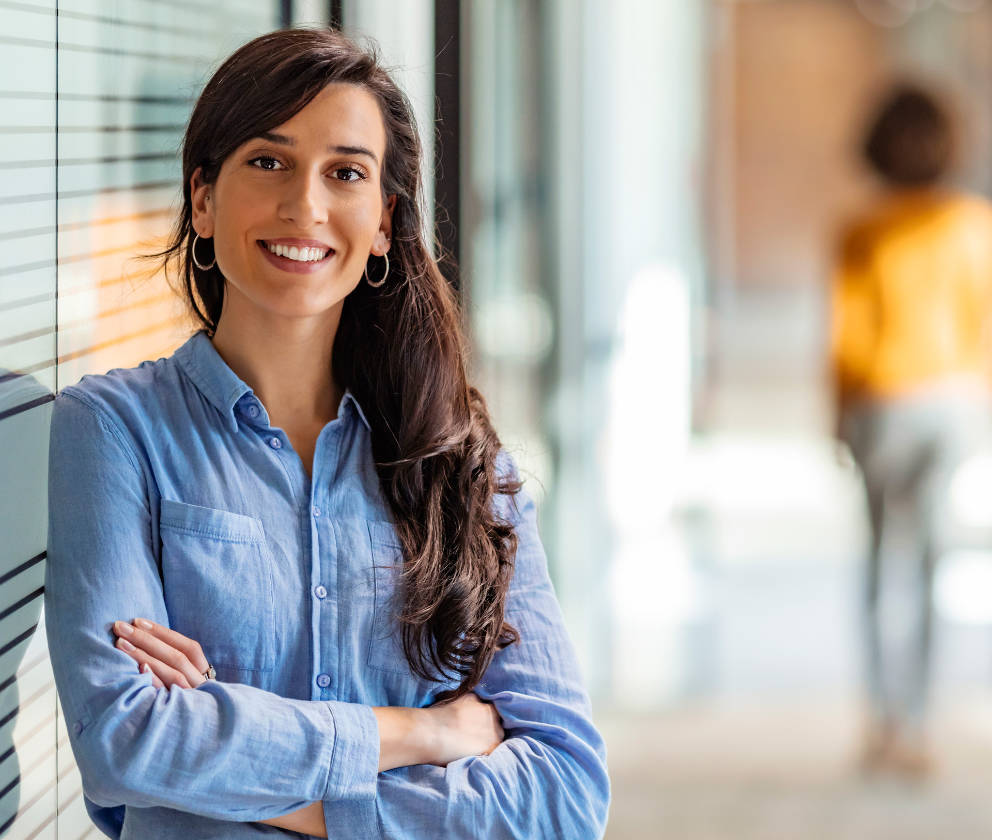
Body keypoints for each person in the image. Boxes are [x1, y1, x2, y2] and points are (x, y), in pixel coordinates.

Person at [44, 27, 610, 839]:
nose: (305, 205)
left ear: (383, 222)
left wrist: (236, 758)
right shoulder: (114, 431)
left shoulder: (460, 462)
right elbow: (127, 740)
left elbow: (566, 794)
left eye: (345, 173)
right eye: (268, 162)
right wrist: (418, 733)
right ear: (202, 198)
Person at [830, 83, 992, 779]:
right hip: (950, 403)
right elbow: (981, 325)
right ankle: (919, 725)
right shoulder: (971, 223)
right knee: (928, 560)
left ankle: (882, 719)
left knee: (878, 559)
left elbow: (848, 335)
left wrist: (836, 414)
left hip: (881, 403)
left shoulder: (863, 228)